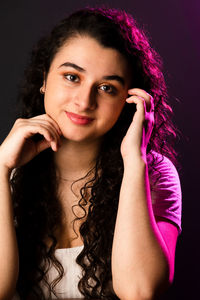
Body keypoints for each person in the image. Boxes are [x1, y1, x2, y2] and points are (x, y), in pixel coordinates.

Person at [0, 6, 182, 300]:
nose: (85, 101)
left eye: (107, 88)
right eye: (72, 77)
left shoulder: (154, 174)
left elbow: (140, 291)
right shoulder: (10, 170)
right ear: (44, 79)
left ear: (129, 99)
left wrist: (134, 161)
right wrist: (0, 169)